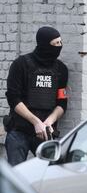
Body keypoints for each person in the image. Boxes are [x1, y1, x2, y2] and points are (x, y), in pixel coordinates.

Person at [4, 26, 68, 166]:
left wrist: (48, 122)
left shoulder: (61, 69)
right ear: (45, 44)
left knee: (52, 173)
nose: (59, 46)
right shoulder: (21, 64)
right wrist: (36, 122)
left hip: (46, 132)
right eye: (55, 43)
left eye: (60, 42)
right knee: (15, 175)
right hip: (19, 131)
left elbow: (62, 103)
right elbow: (13, 98)